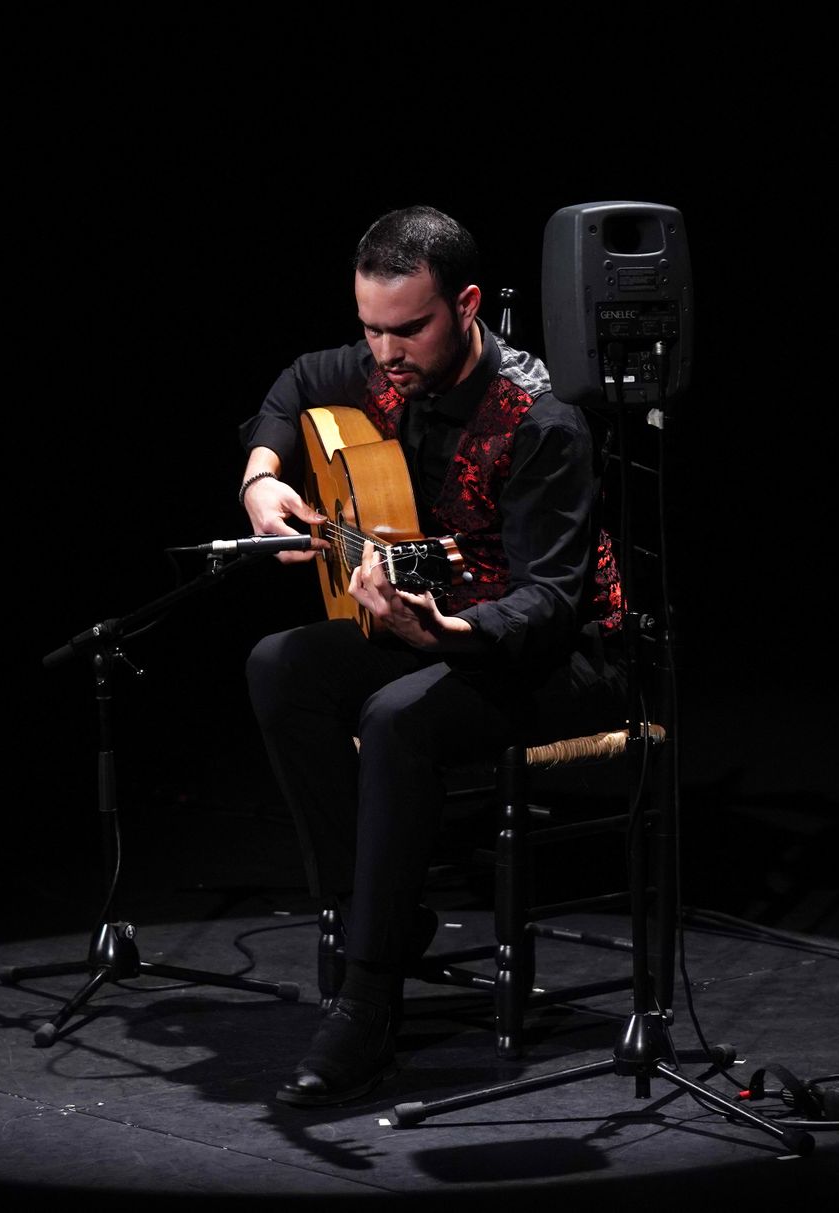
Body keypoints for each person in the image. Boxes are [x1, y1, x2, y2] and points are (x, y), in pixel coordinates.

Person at [238, 205, 626, 1107]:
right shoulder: (381, 366)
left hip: (565, 658)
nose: (384, 354)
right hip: (443, 626)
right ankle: (374, 916)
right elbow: (294, 385)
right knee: (279, 666)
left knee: (398, 715)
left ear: (467, 305)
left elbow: (547, 604)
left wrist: (445, 635)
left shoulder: (542, 420)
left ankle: (369, 1005)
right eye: (370, 329)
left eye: (407, 329)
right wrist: (262, 475)